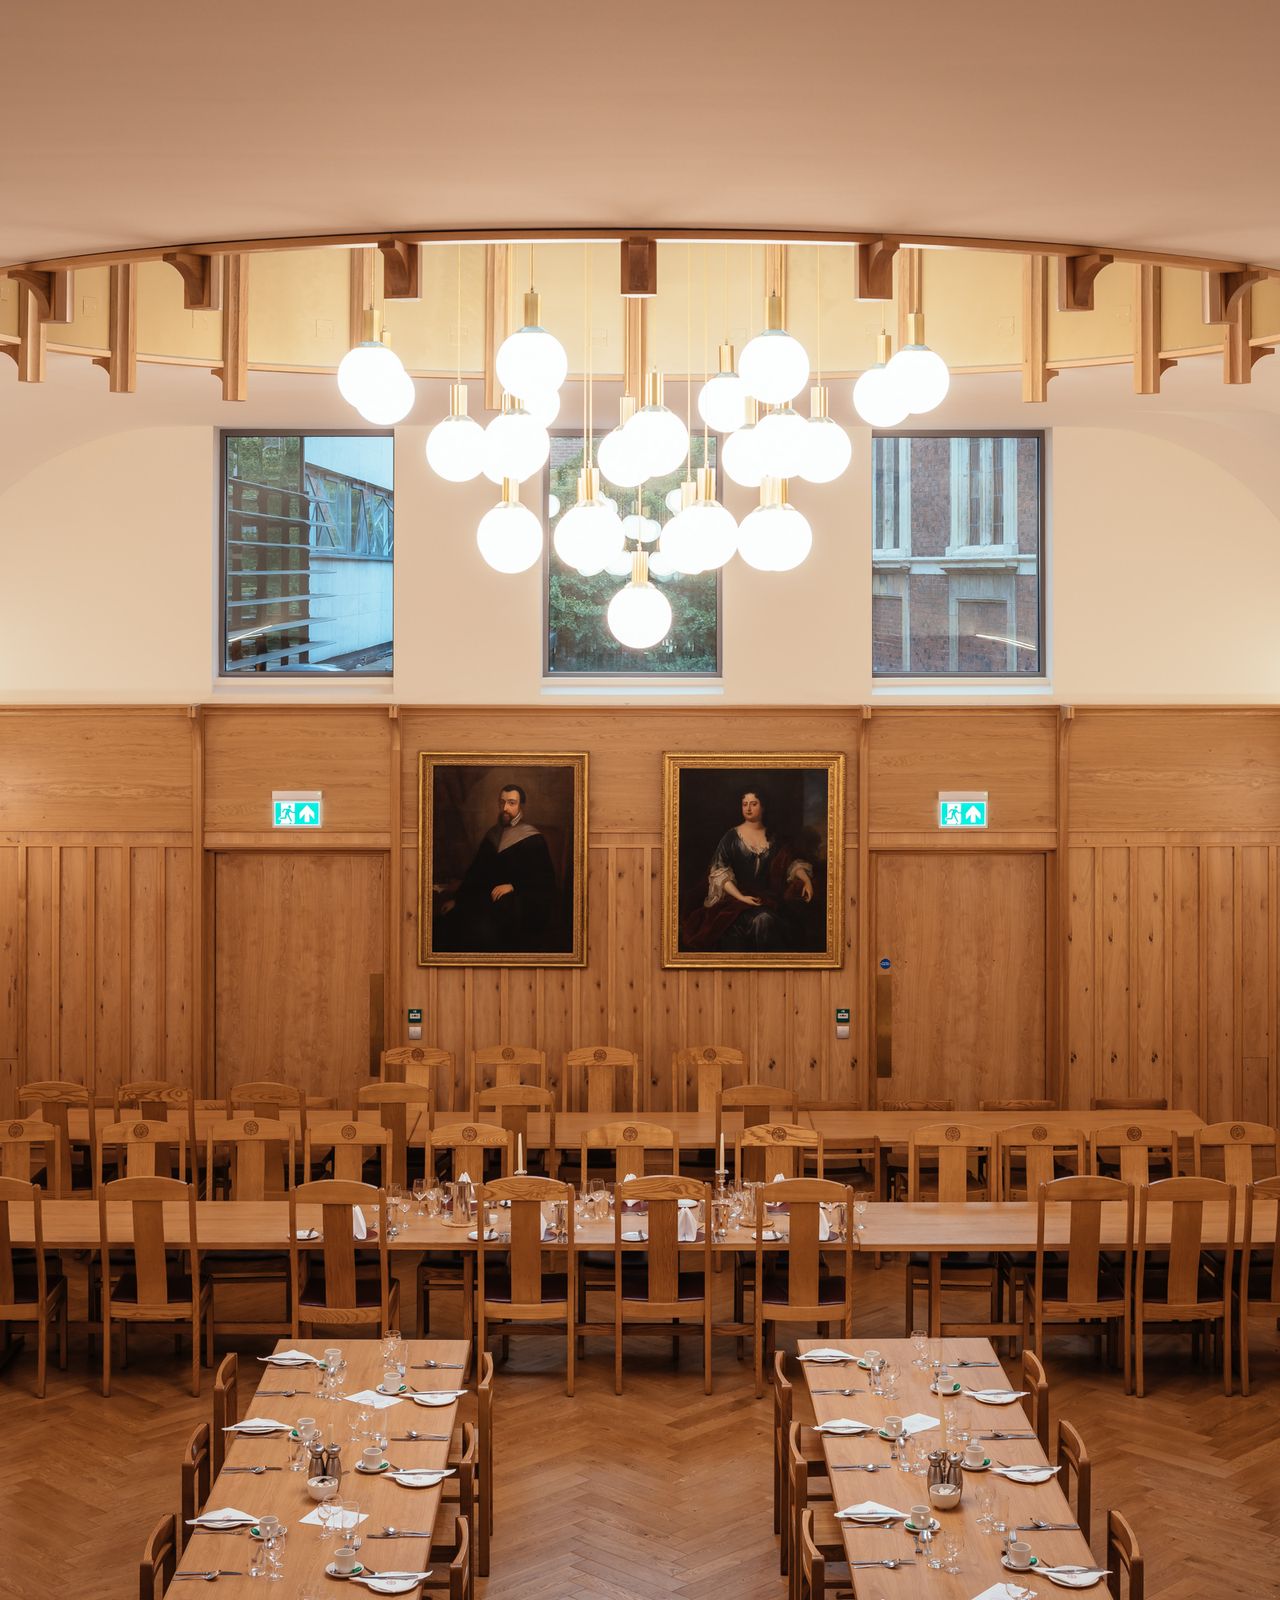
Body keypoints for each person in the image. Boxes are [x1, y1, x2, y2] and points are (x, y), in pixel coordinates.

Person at [680, 788, 818, 953]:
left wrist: (806, 880)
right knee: (761, 920)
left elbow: (790, 863)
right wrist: (742, 898)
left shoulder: (773, 837)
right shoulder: (731, 837)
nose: (748, 808)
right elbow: (720, 872)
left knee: (775, 922)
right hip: (735, 901)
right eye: (744, 804)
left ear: (763, 807)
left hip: (768, 900)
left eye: (753, 804)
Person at [435, 783, 559, 952]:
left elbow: (544, 878)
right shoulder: (492, 834)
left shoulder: (533, 838)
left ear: (521, 806)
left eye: (511, 803)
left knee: (488, 930)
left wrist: (513, 886)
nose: (505, 808)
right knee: (451, 922)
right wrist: (457, 899)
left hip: (518, 900)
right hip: (486, 896)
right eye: (502, 802)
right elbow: (476, 871)